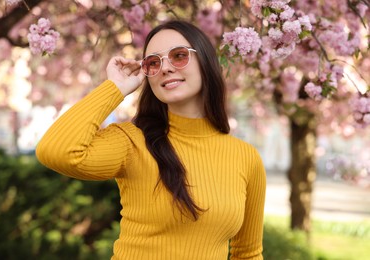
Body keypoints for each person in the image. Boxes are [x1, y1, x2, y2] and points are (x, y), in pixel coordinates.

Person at [36, 20, 266, 259]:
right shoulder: (132, 142)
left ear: (205, 63)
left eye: (179, 56)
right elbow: (56, 150)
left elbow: (248, 254)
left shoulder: (246, 157)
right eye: (153, 63)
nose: (165, 68)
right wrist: (115, 88)